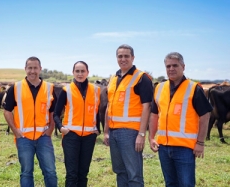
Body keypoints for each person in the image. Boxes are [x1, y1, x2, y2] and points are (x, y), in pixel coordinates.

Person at [148, 52, 212, 187]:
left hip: (185, 148)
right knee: (170, 183)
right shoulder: (159, 88)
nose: (171, 69)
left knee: (186, 184)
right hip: (163, 147)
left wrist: (200, 142)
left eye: (175, 65)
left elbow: (205, 115)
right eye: (168, 66)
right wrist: (151, 137)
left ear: (183, 66)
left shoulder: (194, 88)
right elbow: (154, 114)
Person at [103, 44, 153, 187]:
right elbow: (109, 106)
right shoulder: (113, 78)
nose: (123, 59)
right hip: (114, 132)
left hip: (131, 133)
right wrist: (106, 131)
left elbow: (147, 107)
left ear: (133, 57)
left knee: (134, 175)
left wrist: (141, 134)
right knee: (120, 172)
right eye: (120, 56)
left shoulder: (142, 78)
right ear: (116, 58)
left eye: (126, 56)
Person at [3, 56, 57, 187]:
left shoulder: (49, 88)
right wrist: (16, 131)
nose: (32, 71)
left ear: (40, 69)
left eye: (35, 68)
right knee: (26, 172)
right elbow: (7, 111)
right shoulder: (15, 88)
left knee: (50, 171)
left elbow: (53, 112)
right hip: (24, 137)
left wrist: (50, 130)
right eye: (30, 68)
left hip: (44, 137)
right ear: (25, 69)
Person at [53, 61, 101, 187]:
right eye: (77, 71)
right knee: (72, 173)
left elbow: (97, 112)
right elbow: (56, 114)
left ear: (87, 72)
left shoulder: (96, 90)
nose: (80, 74)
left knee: (83, 173)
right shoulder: (66, 90)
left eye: (82, 71)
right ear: (73, 72)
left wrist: (98, 129)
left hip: (89, 137)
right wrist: (61, 128)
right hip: (71, 136)